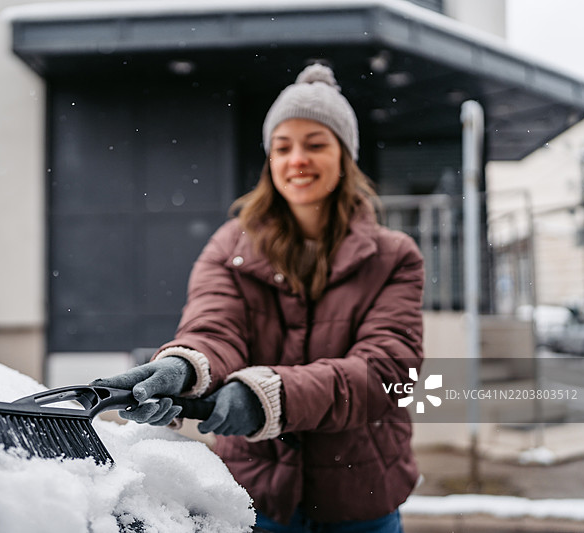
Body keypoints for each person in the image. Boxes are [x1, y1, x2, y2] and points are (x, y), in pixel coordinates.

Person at [93, 63, 424, 533]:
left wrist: (271, 396)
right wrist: (184, 368)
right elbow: (214, 328)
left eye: (316, 144)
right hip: (254, 495)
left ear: (345, 155)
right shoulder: (231, 246)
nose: (297, 159)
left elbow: (388, 370)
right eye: (283, 146)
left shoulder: (394, 257)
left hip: (362, 496)